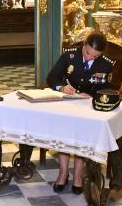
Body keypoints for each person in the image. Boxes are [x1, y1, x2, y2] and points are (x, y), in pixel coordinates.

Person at [46, 31, 114, 194]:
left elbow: (108, 89)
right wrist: (61, 87)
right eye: (87, 53)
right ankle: (63, 172)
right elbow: (52, 77)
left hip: (89, 107)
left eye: (94, 56)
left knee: (81, 136)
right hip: (67, 104)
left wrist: (92, 95)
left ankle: (77, 175)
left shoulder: (107, 64)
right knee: (64, 134)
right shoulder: (68, 56)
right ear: (84, 45)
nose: (89, 58)